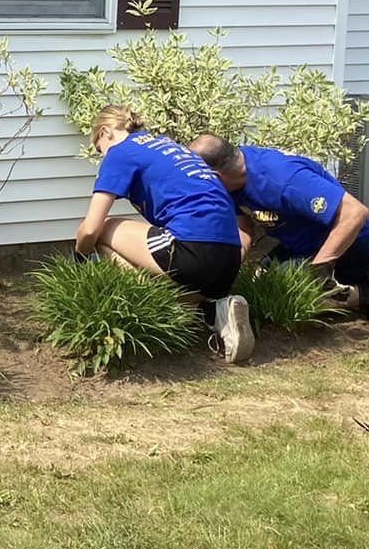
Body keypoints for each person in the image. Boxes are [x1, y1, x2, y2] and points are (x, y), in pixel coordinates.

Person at [74, 106, 255, 363]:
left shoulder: (120, 152)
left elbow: (90, 228)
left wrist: (80, 258)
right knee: (172, 267)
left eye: (98, 148)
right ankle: (214, 311)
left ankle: (155, 305)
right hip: (229, 258)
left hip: (192, 248)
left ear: (105, 133)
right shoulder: (168, 146)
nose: (101, 154)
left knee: (102, 231)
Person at [188, 134, 369, 333]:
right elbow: (244, 227)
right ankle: (355, 279)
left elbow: (355, 213)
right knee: (260, 286)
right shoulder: (234, 180)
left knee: (288, 293)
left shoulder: (283, 179)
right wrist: (230, 267)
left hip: (350, 244)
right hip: (300, 244)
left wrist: (318, 272)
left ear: (215, 175)